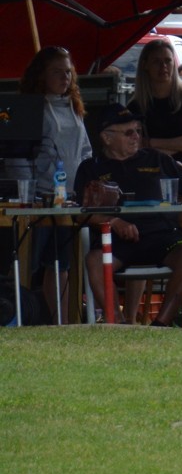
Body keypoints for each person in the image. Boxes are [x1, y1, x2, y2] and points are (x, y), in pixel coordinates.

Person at [76, 105, 182, 326]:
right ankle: (118, 326)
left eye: (138, 130)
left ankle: (160, 325)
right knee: (94, 260)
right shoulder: (90, 168)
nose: (136, 136)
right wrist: (114, 222)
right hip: (115, 239)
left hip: (161, 235)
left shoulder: (156, 158)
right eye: (129, 132)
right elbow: (80, 214)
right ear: (107, 138)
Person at [20, 46, 93, 323]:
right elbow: (22, 156)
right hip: (39, 197)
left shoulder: (74, 107)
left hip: (69, 197)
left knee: (60, 262)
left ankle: (59, 322)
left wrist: (87, 179)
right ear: (41, 75)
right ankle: (19, 314)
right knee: (28, 259)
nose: (65, 77)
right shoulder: (32, 108)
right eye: (57, 72)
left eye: (68, 72)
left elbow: (85, 149)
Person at [130, 37, 182, 178]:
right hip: (150, 177)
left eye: (168, 60)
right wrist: (179, 144)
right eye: (156, 61)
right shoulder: (135, 105)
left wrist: (151, 142)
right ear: (145, 65)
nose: (163, 66)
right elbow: (135, 146)